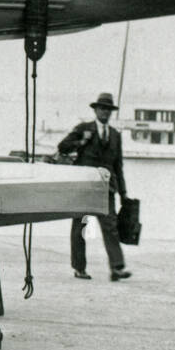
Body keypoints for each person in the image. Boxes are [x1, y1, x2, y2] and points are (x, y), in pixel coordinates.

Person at [58, 92, 131, 281]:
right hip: (83, 187)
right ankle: (79, 268)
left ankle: (116, 268)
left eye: (108, 109)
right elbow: (62, 147)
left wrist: (123, 193)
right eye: (102, 108)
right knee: (80, 227)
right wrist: (82, 141)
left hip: (106, 189)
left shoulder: (115, 135)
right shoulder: (84, 128)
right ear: (95, 110)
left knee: (111, 227)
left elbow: (118, 166)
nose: (105, 112)